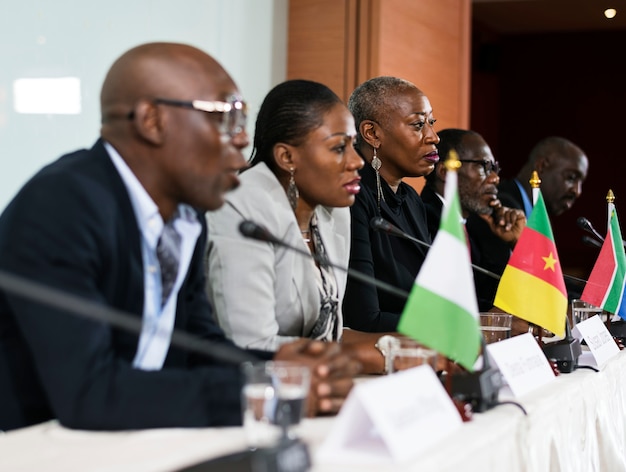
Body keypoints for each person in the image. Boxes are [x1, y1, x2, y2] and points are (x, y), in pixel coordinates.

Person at [0, 43, 359, 432]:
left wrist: (279, 367)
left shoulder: (186, 216)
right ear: (152, 121)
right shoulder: (62, 206)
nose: (241, 139)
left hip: (129, 439)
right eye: (225, 116)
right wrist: (262, 390)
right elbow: (90, 391)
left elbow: (196, 345)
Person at [205, 79, 405, 374]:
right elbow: (251, 346)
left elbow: (327, 335)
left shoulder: (333, 212)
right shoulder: (241, 209)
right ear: (287, 157)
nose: (356, 161)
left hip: (307, 384)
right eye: (339, 147)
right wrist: (380, 357)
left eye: (353, 145)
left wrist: (404, 346)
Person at [342, 76, 438, 332]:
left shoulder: (411, 199)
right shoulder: (350, 198)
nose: (433, 137)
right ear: (372, 133)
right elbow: (363, 318)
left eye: (431, 123)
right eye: (418, 124)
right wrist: (449, 327)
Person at [421, 128, 525, 311]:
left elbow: (484, 297)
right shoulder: (424, 222)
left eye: (494, 169)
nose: (495, 178)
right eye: (483, 166)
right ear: (445, 171)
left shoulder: (471, 229)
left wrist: (519, 244)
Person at [498, 136, 589, 218]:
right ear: (541, 166)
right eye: (571, 178)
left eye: (581, 182)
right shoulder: (501, 207)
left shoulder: (540, 220)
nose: (577, 192)